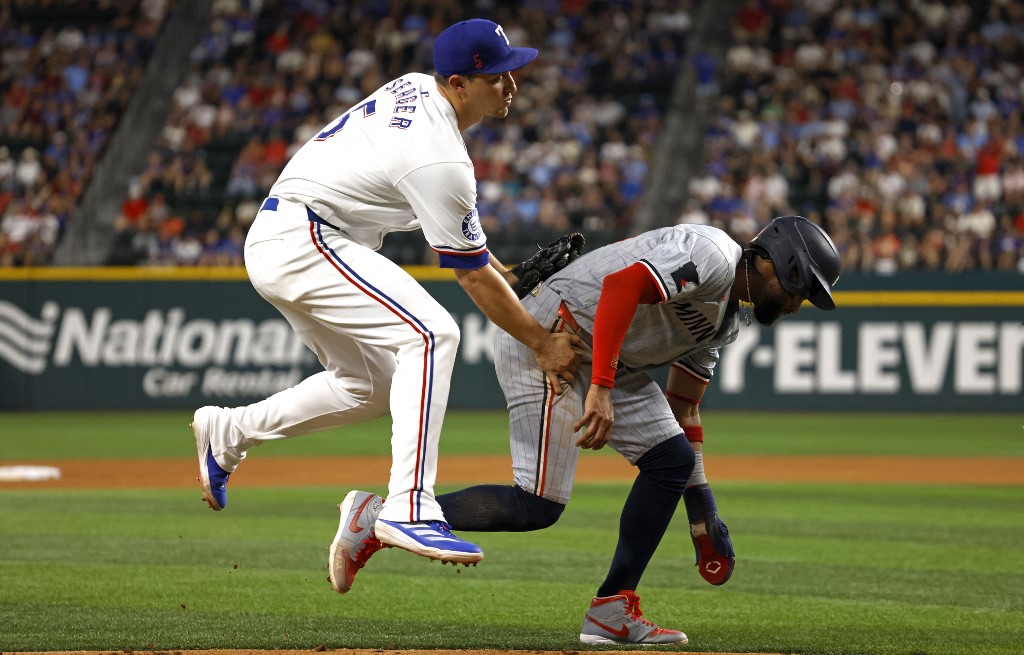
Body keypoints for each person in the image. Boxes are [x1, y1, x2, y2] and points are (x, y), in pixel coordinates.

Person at [190, 18, 582, 590]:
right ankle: (409, 506)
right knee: (431, 334)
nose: (510, 84)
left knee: (367, 387)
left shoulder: (418, 90)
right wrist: (543, 344)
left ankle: (229, 431)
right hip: (306, 238)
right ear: (458, 83)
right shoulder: (439, 157)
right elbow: (469, 276)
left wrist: (510, 275)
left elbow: (463, 245)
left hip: (300, 236)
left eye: (510, 71)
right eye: (495, 76)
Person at [339, 215, 841, 644]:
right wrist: (598, 389)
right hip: (549, 337)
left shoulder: (727, 321)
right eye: (804, 289)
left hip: (605, 359)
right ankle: (379, 516)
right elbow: (624, 287)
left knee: (672, 460)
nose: (801, 304)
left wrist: (702, 515)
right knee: (535, 505)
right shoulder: (712, 254)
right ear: (784, 265)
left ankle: (612, 609)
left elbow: (684, 409)